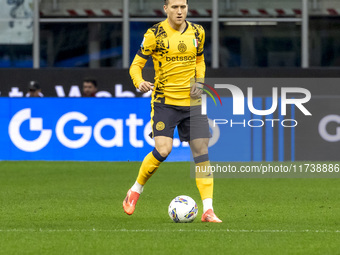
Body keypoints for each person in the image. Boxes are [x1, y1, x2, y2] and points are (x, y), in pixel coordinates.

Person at [123, 0, 222, 223]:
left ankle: (208, 210)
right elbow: (136, 65)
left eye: (183, 7)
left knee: (201, 151)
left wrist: (200, 81)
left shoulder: (198, 32)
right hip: (164, 101)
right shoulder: (154, 34)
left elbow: (200, 60)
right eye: (175, 7)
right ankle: (135, 190)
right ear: (165, 8)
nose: (179, 11)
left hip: (192, 102)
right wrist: (138, 82)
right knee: (164, 150)